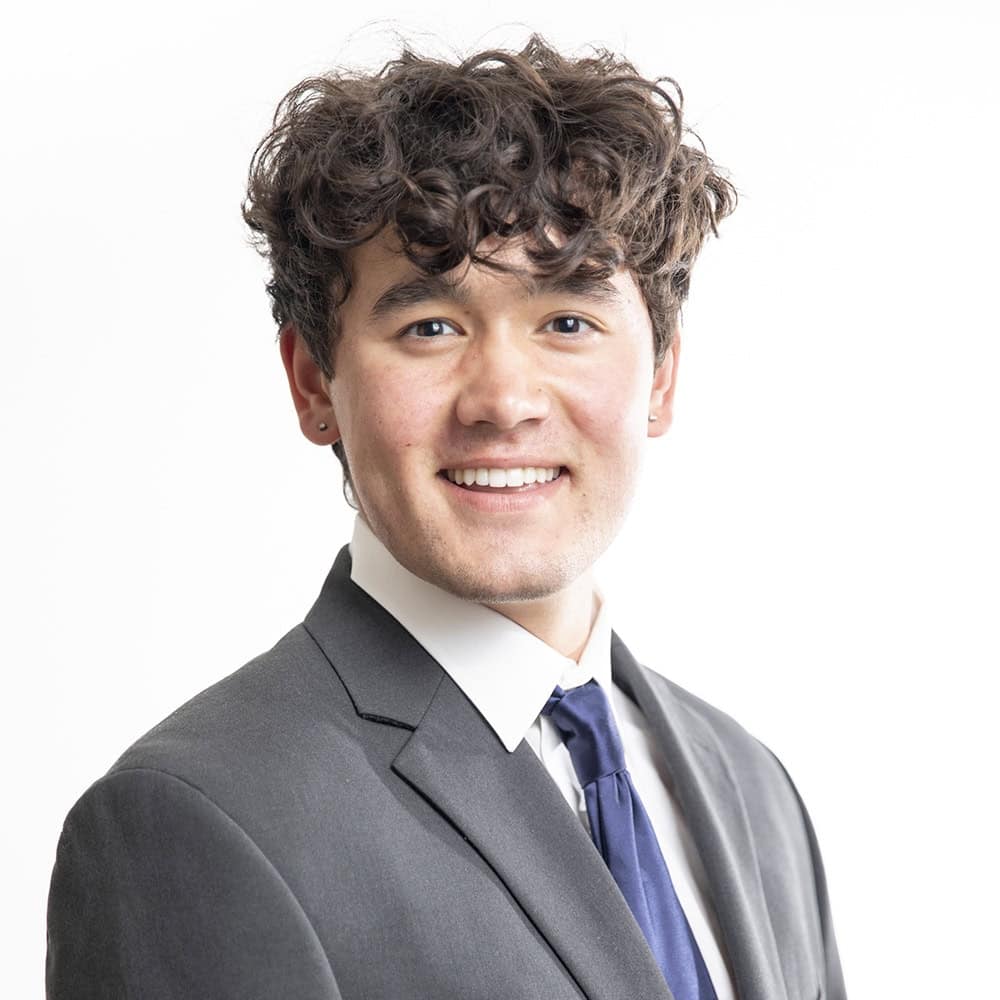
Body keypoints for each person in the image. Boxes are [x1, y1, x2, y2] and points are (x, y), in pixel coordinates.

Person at [45, 36, 846, 1000]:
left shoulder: (753, 788)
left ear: (662, 378)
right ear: (313, 383)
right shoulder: (195, 820)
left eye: (568, 322)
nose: (505, 400)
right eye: (430, 327)